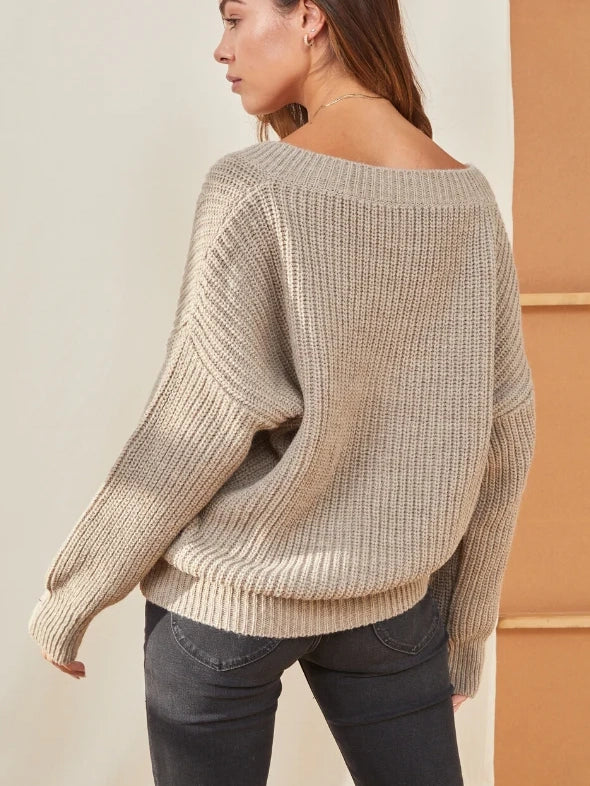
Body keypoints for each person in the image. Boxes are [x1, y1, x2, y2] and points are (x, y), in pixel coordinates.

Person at [29, 0, 537, 784]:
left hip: (227, 605)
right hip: (393, 608)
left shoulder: (254, 187)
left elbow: (200, 420)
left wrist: (76, 592)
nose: (221, 48)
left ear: (309, 16)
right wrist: (463, 634)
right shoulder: (466, 198)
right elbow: (506, 431)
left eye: (235, 18)